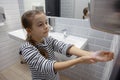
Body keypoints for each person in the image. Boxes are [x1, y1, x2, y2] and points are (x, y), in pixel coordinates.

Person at [20, 10, 114, 80]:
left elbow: (64, 46)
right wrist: (79, 60)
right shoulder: (27, 48)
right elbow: (47, 66)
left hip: (54, 77)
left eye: (46, 22)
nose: (46, 27)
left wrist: (92, 54)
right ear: (29, 30)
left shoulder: (47, 40)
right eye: (40, 24)